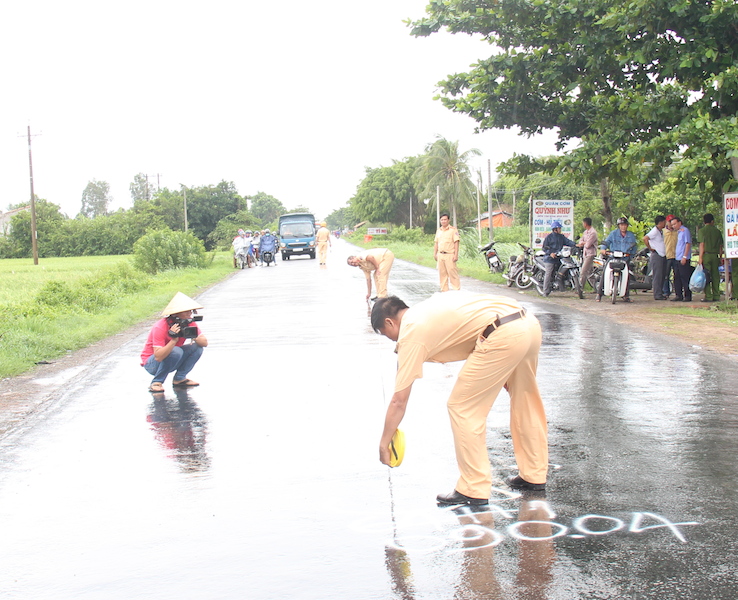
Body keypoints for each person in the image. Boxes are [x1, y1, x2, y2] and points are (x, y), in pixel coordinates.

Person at [372, 292, 548, 505]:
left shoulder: (411, 333)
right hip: (527, 323)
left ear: (390, 322)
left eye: (385, 333)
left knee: (463, 407)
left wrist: (384, 443)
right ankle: (534, 474)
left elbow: (399, 400)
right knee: (525, 399)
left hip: (503, 334)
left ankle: (474, 488)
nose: (390, 339)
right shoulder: (425, 310)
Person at [140, 292, 208, 393]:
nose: (189, 314)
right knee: (176, 350)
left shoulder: (188, 322)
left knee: (197, 348)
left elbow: (205, 343)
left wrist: (192, 334)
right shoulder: (161, 326)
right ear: (176, 313)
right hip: (153, 364)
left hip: (172, 359)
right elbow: (158, 357)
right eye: (186, 311)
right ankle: (156, 382)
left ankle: (180, 379)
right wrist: (173, 340)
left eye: (191, 311)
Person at [597, 217, 638, 302]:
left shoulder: (631, 235)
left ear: (627, 226)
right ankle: (599, 294)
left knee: (628, 275)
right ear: (619, 226)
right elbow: (606, 242)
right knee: (605, 272)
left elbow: (634, 247)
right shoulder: (613, 234)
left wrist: (631, 256)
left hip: (625, 258)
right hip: (613, 257)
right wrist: (603, 249)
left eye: (625, 225)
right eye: (621, 225)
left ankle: (626, 295)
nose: (623, 227)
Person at [541, 221, 576, 296]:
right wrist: (550, 253)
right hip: (549, 259)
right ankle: (545, 291)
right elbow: (544, 248)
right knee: (549, 274)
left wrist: (576, 244)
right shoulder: (549, 237)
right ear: (555, 229)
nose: (560, 229)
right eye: (559, 228)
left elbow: (568, 242)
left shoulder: (561, 237)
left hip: (559, 258)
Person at [698, 213, 724, 302]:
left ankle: (708, 296)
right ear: (712, 221)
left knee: (706, 275)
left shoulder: (702, 231)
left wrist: (700, 257)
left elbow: (702, 244)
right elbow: (721, 246)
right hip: (715, 255)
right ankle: (716, 295)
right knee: (716, 276)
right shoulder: (717, 231)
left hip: (706, 255)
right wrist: (720, 257)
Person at [434, 212, 460, 291]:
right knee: (442, 275)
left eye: (445, 219)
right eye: (442, 220)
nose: (443, 221)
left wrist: (456, 255)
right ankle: (444, 291)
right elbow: (436, 243)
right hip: (440, 255)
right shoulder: (439, 231)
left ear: (448, 220)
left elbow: (456, 242)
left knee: (452, 274)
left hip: (450, 255)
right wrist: (435, 254)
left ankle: (456, 290)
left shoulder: (453, 230)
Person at [643, 216, 667, 301]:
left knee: (662, 275)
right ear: (660, 222)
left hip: (662, 254)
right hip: (657, 255)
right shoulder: (654, 231)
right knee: (657, 275)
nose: (665, 223)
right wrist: (650, 248)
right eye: (664, 222)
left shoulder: (660, 231)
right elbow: (645, 238)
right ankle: (657, 294)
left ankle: (660, 292)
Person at [670, 216, 692, 302]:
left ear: (680, 222)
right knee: (677, 277)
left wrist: (685, 256)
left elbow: (687, 244)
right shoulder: (678, 232)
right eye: (672, 225)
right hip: (677, 258)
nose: (674, 226)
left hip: (683, 258)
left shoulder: (685, 231)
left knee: (685, 277)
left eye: (675, 224)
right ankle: (678, 295)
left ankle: (687, 295)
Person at [577, 217, 598, 292]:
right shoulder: (585, 232)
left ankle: (580, 288)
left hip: (590, 254)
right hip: (585, 254)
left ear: (585, 223)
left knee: (583, 271)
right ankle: (597, 288)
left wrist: (584, 243)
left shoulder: (593, 233)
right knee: (589, 273)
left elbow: (588, 245)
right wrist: (583, 243)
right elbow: (581, 241)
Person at [662, 214, 678, 298]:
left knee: (677, 275)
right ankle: (666, 292)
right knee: (665, 275)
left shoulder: (678, 231)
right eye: (669, 222)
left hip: (676, 256)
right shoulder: (663, 231)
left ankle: (677, 292)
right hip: (667, 256)